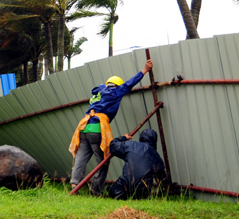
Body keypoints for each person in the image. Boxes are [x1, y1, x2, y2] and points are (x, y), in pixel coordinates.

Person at [68, 59, 153, 195]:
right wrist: (145, 70)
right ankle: (95, 191)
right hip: (97, 129)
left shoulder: (97, 94)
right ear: (116, 86)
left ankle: (74, 185)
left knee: (81, 158)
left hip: (84, 128)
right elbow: (129, 84)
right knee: (103, 161)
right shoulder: (114, 92)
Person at [107, 128, 166, 200]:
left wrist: (124, 137)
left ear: (141, 137)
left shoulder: (132, 145)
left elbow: (113, 145)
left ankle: (116, 193)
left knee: (112, 190)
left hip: (123, 188)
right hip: (142, 192)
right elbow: (162, 178)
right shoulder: (157, 157)